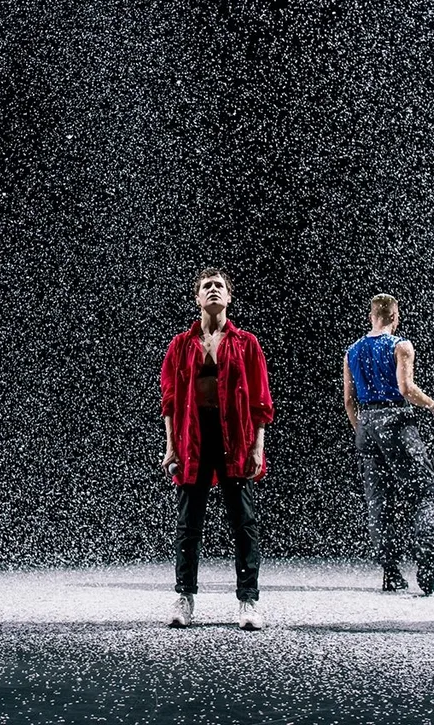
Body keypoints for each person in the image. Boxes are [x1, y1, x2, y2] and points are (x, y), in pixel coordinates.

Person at [160, 269, 273, 630]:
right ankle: (185, 596)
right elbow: (169, 402)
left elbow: (260, 402)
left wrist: (257, 447)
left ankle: (248, 600)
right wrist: (171, 447)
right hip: (193, 439)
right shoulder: (181, 344)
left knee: (244, 522)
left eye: (219, 286)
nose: (213, 290)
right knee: (188, 524)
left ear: (228, 297)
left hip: (234, 439)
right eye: (206, 286)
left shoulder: (246, 343)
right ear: (197, 298)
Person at [343, 294, 434, 595]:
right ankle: (425, 560)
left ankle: (390, 572)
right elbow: (406, 388)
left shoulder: (352, 351)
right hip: (395, 421)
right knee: (427, 494)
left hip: (366, 425)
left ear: (371, 316)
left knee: (379, 500)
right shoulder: (400, 346)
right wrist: (433, 404)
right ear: (394, 317)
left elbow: (349, 401)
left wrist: (363, 430)